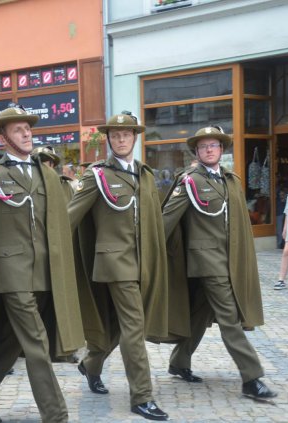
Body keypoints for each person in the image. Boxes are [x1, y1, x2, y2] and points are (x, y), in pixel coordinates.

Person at [0, 104, 84, 423]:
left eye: (27, 128)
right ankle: (56, 414)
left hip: (44, 273)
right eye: (18, 129)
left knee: (10, 341)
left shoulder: (44, 174)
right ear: (3, 138)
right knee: (36, 343)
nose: (26, 133)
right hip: (10, 274)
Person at [162, 126, 277, 401]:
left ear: (221, 149)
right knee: (229, 319)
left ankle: (179, 362)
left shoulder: (231, 180)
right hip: (205, 260)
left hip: (230, 260)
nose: (210, 149)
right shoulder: (189, 181)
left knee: (200, 315)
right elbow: (166, 219)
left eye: (214, 145)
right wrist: (144, 251)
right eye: (204, 146)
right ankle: (252, 377)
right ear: (197, 152)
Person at [67, 112, 169, 421]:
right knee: (134, 328)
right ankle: (141, 396)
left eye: (126, 134)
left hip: (143, 262)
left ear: (135, 138)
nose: (121, 139)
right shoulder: (96, 175)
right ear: (109, 139)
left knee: (117, 328)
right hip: (114, 263)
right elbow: (70, 217)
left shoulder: (145, 174)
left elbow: (152, 221)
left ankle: (91, 364)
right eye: (115, 135)